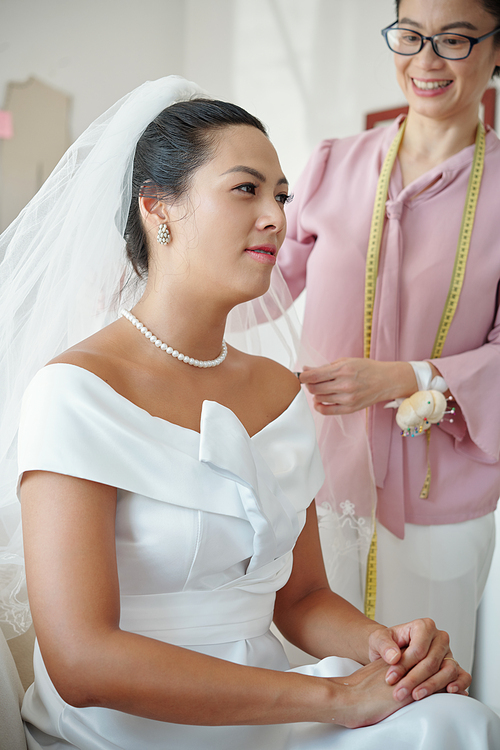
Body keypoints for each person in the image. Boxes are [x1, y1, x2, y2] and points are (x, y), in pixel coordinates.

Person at [0, 76, 498, 750]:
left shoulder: (279, 391)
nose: (277, 217)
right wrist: (331, 697)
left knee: (458, 723)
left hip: (270, 705)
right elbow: (81, 660)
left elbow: (300, 599)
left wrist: (385, 646)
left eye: (282, 195)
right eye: (246, 190)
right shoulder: (75, 392)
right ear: (159, 210)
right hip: (127, 726)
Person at [278, 0, 500, 675]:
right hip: (317, 486)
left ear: (496, 52)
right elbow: (260, 289)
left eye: (455, 40)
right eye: (410, 35)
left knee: (425, 691)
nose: (426, 60)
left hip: (441, 504)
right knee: (316, 691)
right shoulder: (331, 165)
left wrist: (411, 378)